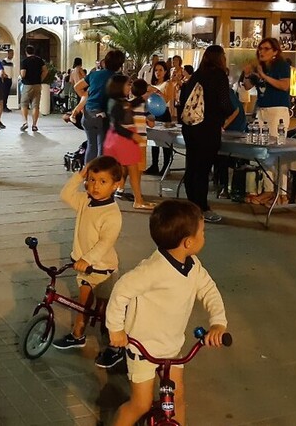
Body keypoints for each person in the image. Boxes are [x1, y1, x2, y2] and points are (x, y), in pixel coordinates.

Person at [105, 200, 229, 426]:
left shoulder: (193, 264)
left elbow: (209, 290)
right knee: (140, 404)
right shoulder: (153, 270)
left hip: (171, 348)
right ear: (188, 242)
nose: (204, 236)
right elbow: (121, 291)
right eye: (202, 232)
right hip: (143, 348)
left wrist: (218, 323)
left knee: (178, 398)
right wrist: (116, 329)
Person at [53, 156, 126, 369]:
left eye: (103, 182)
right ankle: (77, 335)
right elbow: (65, 194)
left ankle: (115, 347)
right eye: (92, 180)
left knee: (106, 314)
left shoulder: (112, 214)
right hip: (84, 268)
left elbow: (105, 243)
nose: (95, 186)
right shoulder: (85, 201)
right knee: (82, 305)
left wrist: (87, 259)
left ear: (116, 185)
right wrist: (80, 174)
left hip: (104, 270)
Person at [177, 45, 235, 223]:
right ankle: (201, 207)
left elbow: (183, 99)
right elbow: (225, 103)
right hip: (208, 128)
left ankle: (191, 204)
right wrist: (227, 114)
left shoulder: (196, 75)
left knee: (192, 165)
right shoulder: (219, 76)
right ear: (220, 58)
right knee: (203, 169)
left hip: (190, 127)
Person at [104, 74, 155, 211]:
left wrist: (141, 99)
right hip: (124, 139)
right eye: (128, 85)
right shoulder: (117, 103)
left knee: (124, 171)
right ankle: (138, 200)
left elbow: (130, 105)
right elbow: (116, 125)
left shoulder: (118, 101)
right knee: (132, 171)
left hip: (120, 139)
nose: (130, 87)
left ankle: (134, 199)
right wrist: (132, 135)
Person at [252, 38, 291, 205]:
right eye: (260, 48)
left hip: (277, 111)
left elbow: (284, 86)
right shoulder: (260, 67)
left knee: (276, 150)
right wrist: (248, 74)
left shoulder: (281, 66)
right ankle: (268, 190)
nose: (262, 51)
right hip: (262, 110)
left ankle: (282, 192)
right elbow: (247, 86)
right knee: (263, 151)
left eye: (267, 49)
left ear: (275, 51)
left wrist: (264, 76)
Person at [74, 50, 126, 163]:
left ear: (105, 62)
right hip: (103, 115)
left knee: (91, 145)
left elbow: (77, 87)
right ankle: (99, 174)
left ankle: (88, 175)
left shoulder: (94, 74)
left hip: (88, 113)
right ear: (120, 65)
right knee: (102, 147)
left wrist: (86, 98)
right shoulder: (118, 79)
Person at [145, 60, 175, 175]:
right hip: (153, 113)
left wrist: (157, 91)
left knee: (165, 141)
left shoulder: (168, 84)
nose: (158, 72)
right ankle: (154, 164)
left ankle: (166, 166)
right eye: (156, 70)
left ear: (165, 71)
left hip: (163, 113)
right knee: (154, 140)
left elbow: (167, 99)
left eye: (160, 70)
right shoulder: (152, 84)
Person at [19, 46, 48, 132]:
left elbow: (23, 74)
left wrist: (21, 76)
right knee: (35, 105)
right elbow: (45, 70)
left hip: (27, 85)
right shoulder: (39, 60)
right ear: (33, 51)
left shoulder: (25, 61)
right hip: (37, 85)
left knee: (24, 104)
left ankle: (25, 122)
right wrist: (41, 79)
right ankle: (34, 125)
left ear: (26, 52)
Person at [0, 48, 15, 113]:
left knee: (7, 93)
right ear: (8, 54)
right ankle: (3, 107)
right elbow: (1, 70)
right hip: (5, 80)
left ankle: (5, 106)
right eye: (11, 53)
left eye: (13, 54)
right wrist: (2, 78)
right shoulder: (4, 61)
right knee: (4, 94)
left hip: (9, 79)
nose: (12, 55)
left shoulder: (11, 62)